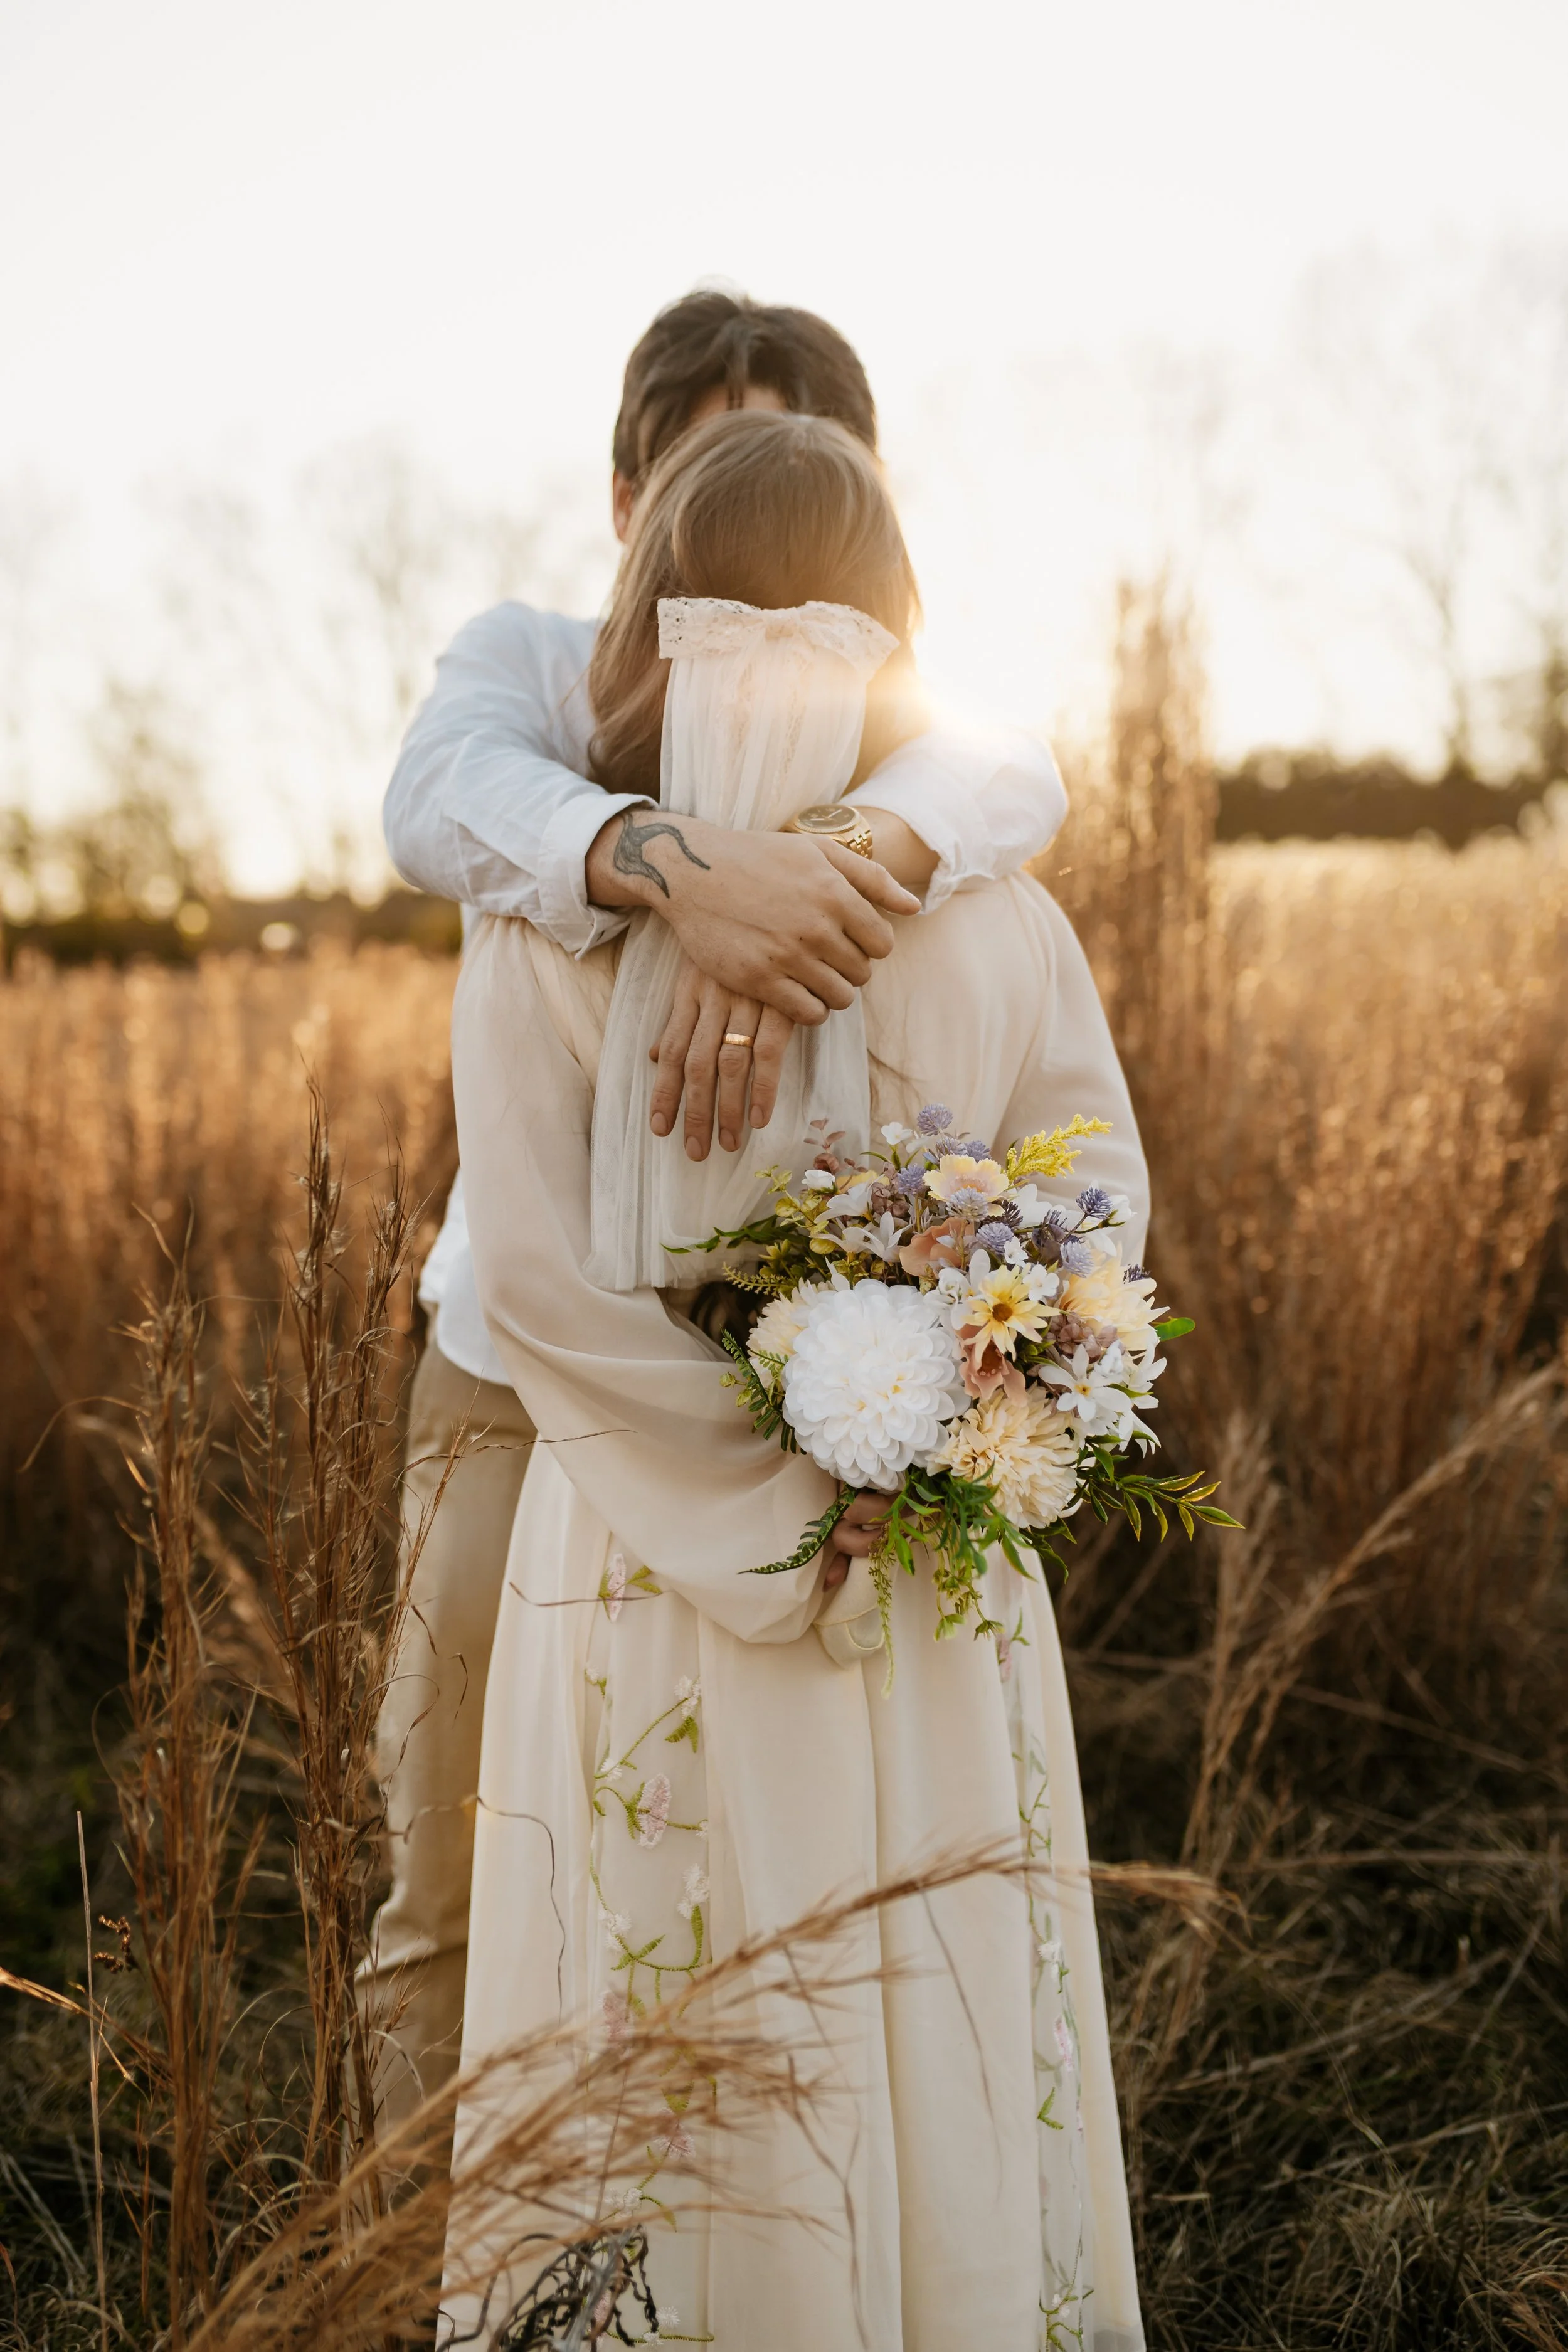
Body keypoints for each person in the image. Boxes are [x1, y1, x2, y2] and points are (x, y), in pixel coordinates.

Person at [441, 410, 1147, 2348]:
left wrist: (762, 1517)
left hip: (641, 1570)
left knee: (663, 2005)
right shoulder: (1003, 913)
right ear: (900, 621)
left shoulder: (543, 937)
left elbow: (542, 1292)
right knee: (910, 1994)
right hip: (924, 1569)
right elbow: (1092, 1213)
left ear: (640, 620)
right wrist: (944, 1431)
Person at [368, 292, 1073, 2132]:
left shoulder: (901, 721)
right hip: (507, 1362)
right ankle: (389, 2282)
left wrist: (808, 868)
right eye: (704, 465)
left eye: (805, 471)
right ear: (628, 498)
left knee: (736, 1879)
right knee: (458, 1858)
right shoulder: (531, 657)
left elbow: (1009, 769)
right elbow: (439, 795)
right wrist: (685, 870)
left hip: (809, 1392)